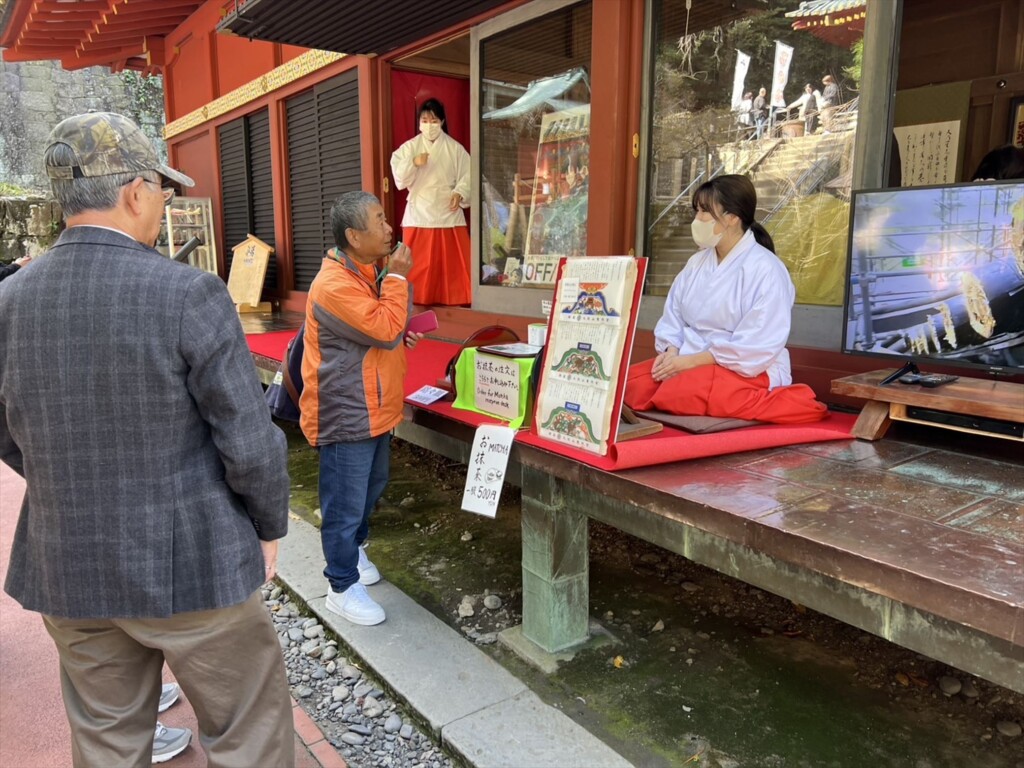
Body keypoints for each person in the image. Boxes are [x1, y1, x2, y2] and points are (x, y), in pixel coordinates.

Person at [0, 112, 294, 767]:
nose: (164, 204)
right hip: (193, 561)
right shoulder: (187, 292)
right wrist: (267, 526)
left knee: (105, 743)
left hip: (67, 561)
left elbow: (9, 432)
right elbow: (248, 440)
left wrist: (64, 476)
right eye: (163, 190)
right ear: (134, 191)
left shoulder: (9, 301)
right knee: (248, 733)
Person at [623, 174, 827, 424]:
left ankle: (790, 400)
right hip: (688, 357)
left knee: (681, 391)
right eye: (697, 211)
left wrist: (690, 363)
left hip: (742, 366)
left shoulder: (766, 269)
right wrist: (671, 351)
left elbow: (757, 343)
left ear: (732, 217)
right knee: (630, 384)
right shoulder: (696, 262)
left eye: (705, 212)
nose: (698, 220)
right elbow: (673, 315)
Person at [300, 191, 416, 626]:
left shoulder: (363, 271)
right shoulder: (333, 284)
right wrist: (398, 282)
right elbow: (383, 328)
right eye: (379, 220)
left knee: (372, 486)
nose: (389, 228)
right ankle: (340, 584)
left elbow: (379, 327)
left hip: (373, 403)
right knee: (345, 501)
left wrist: (400, 326)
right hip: (346, 408)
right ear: (353, 235)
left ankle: (356, 548)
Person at [390, 98, 471, 305]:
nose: (429, 124)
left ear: (442, 121)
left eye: (433, 120)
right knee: (418, 263)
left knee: (452, 263)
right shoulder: (409, 148)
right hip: (419, 210)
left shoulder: (455, 148)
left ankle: (456, 299)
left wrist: (460, 192)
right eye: (424, 120)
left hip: (447, 208)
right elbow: (400, 180)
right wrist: (413, 163)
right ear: (418, 123)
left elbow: (469, 174)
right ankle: (414, 300)